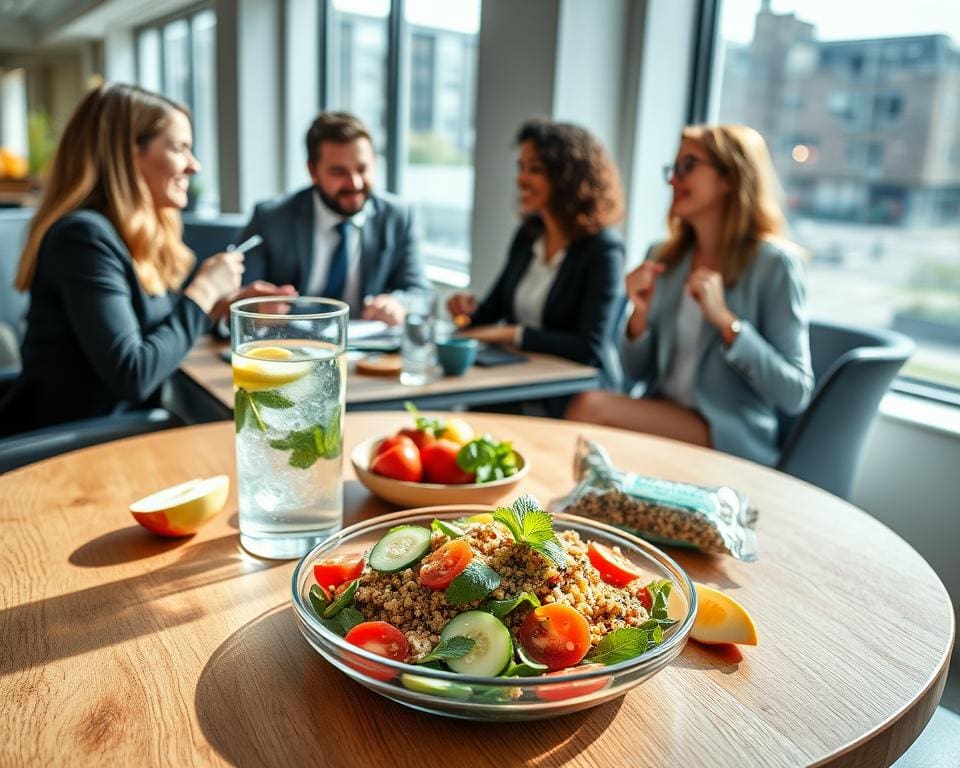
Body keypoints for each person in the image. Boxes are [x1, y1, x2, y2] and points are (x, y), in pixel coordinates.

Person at [0, 83, 294, 437]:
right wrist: (202, 292)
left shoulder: (125, 234)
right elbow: (133, 374)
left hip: (112, 430)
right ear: (128, 154)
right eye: (179, 148)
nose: (194, 166)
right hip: (75, 443)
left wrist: (219, 308)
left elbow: (150, 333)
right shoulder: (83, 237)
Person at [566, 125, 814, 466]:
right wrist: (637, 318)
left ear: (729, 178)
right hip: (662, 412)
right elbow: (634, 372)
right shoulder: (664, 257)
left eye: (688, 166)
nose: (674, 180)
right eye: (674, 169)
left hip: (727, 432)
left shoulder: (775, 265)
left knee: (589, 407)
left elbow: (795, 392)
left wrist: (726, 322)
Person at [447, 119, 625, 374]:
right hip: (518, 376)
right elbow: (491, 311)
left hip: (570, 386)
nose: (521, 179)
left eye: (535, 169)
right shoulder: (529, 235)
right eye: (521, 168)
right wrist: (465, 312)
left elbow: (590, 347)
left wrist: (513, 334)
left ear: (568, 176)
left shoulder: (603, 249)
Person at [239, 112, 430, 325]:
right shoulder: (270, 218)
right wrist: (256, 311)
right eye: (339, 172)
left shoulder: (399, 216)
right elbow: (237, 300)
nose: (355, 183)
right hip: (289, 347)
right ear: (313, 171)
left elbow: (420, 293)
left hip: (368, 352)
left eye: (362, 168)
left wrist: (398, 303)